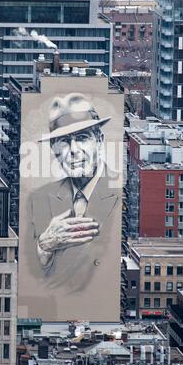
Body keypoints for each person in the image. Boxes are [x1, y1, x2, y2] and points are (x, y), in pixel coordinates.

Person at [24, 93, 122, 297]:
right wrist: (44, 246)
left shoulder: (120, 193)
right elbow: (31, 275)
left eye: (83, 138)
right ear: (54, 149)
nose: (73, 150)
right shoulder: (39, 198)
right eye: (63, 142)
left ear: (99, 140)